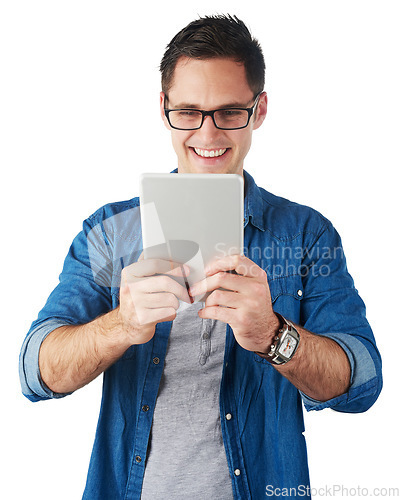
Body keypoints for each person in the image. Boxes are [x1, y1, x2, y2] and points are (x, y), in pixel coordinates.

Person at [19, 14, 382, 500]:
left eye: (230, 112)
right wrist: (122, 325)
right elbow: (37, 371)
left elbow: (362, 380)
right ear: (164, 106)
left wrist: (273, 335)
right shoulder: (111, 232)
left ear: (260, 109)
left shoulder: (306, 236)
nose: (208, 135)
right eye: (189, 111)